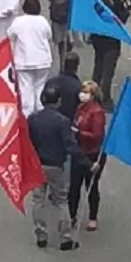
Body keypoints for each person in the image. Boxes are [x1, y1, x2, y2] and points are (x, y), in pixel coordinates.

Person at [27, 85, 90, 251]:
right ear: (58, 101)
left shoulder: (33, 119)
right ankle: (65, 237)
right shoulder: (62, 121)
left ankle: (41, 234)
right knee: (61, 200)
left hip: (38, 164)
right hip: (56, 165)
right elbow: (70, 146)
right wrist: (87, 163)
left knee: (37, 200)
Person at [69, 81, 107, 232]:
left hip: (92, 154)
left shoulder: (97, 112)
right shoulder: (80, 108)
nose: (82, 95)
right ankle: (71, 215)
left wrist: (78, 133)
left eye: (86, 93)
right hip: (79, 152)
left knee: (91, 186)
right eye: (81, 92)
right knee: (74, 186)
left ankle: (92, 217)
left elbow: (97, 135)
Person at [7, 0, 53, 116]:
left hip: (24, 60)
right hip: (43, 60)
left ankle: (28, 116)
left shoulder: (18, 22)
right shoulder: (43, 21)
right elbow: (49, 36)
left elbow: (10, 35)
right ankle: (41, 114)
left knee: (26, 89)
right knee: (40, 88)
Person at [90, 0, 131, 105]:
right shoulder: (109, 7)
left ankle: (93, 93)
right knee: (108, 72)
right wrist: (124, 10)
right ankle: (105, 98)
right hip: (111, 42)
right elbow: (119, 21)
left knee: (98, 67)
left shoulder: (96, 3)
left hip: (98, 40)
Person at [44, 50, 82, 121]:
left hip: (49, 119)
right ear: (76, 66)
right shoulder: (77, 85)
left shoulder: (51, 81)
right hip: (69, 120)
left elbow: (43, 99)